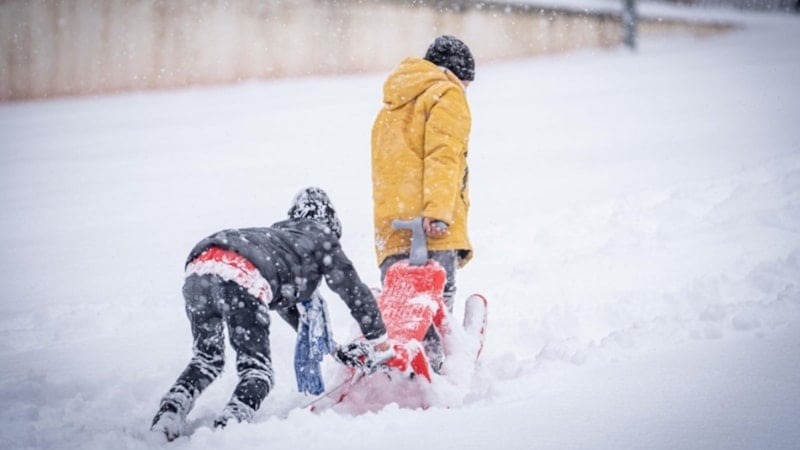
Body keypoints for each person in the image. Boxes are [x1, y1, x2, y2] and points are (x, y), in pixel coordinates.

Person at [151, 187, 392, 441]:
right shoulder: (321, 237)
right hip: (241, 274)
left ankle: (170, 412)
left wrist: (335, 350)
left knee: (206, 360)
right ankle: (230, 426)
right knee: (258, 372)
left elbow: (295, 315)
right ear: (331, 223)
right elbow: (353, 290)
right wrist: (380, 341)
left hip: (200, 268)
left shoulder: (279, 242)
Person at [370, 35, 475, 371]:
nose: (466, 90)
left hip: (391, 227)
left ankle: (402, 368)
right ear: (456, 74)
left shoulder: (391, 105)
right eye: (467, 83)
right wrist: (438, 213)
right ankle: (437, 368)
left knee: (403, 310)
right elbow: (443, 157)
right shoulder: (447, 94)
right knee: (436, 303)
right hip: (431, 224)